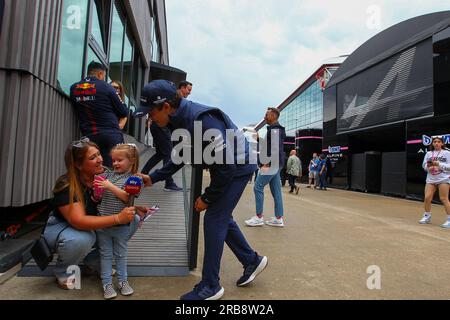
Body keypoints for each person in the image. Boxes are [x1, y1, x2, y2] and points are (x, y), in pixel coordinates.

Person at [134, 80, 267, 300]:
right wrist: (153, 177)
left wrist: (206, 197)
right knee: (223, 218)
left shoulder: (202, 122)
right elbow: (182, 155)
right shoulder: (178, 120)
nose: (150, 118)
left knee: (214, 219)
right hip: (225, 167)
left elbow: (227, 168)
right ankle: (251, 260)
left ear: (166, 106)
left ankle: (211, 286)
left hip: (238, 167)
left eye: (151, 112)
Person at [42, 138, 141, 290]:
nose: (100, 160)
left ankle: (94, 262)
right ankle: (63, 271)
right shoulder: (67, 184)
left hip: (96, 223)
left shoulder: (106, 174)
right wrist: (117, 218)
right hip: (64, 228)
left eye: (99, 154)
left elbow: (121, 195)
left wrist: (135, 205)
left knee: (133, 220)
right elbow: (78, 221)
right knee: (82, 238)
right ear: (78, 165)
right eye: (92, 157)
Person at [94, 144, 140, 299]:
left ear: (132, 161)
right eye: (113, 160)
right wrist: (97, 194)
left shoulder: (134, 179)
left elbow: (128, 198)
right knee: (105, 255)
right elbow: (99, 197)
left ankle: (123, 281)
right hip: (103, 224)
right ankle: (106, 283)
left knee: (121, 254)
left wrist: (109, 186)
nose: (115, 164)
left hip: (121, 226)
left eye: (119, 160)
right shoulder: (109, 175)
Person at [70, 61, 129, 168]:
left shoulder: (74, 88)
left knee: (94, 170)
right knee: (115, 170)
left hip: (90, 137)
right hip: (111, 135)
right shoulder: (106, 87)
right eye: (104, 76)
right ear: (100, 74)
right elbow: (123, 112)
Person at [245, 107, 286, 228]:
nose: (264, 117)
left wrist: (266, 163)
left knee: (258, 187)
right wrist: (258, 139)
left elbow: (274, 149)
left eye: (266, 115)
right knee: (276, 191)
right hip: (276, 163)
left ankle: (258, 217)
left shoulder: (274, 130)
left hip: (271, 164)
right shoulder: (276, 130)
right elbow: (271, 146)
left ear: (273, 116)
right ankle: (278, 218)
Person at [141, 119, 183, 192]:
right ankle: (169, 183)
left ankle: (143, 175)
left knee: (160, 154)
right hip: (161, 127)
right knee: (168, 154)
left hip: (157, 126)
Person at [418, 136, 450, 228]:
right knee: (427, 198)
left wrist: (438, 164)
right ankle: (427, 216)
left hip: (443, 179)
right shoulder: (428, 153)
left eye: (439, 142)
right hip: (431, 179)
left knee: (444, 199)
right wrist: (429, 167)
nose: (436, 143)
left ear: (442, 143)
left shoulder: (447, 153)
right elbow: (424, 165)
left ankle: (449, 219)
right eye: (435, 141)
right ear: (432, 143)